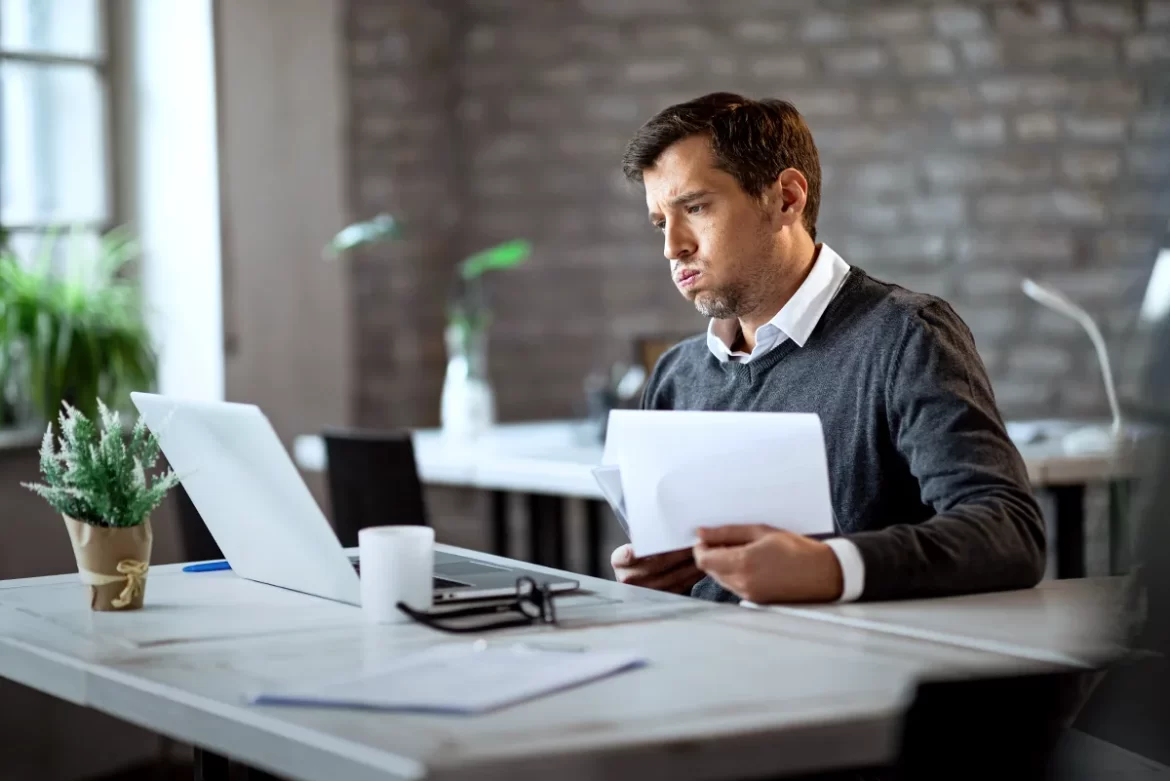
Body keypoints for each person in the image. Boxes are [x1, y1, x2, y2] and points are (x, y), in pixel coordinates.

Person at [612, 92, 1046, 604]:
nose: (672, 246)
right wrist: (661, 575)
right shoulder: (677, 375)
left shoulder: (907, 336)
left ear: (787, 199)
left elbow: (1009, 532)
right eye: (662, 222)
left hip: (865, 674)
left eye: (696, 207)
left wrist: (830, 568)